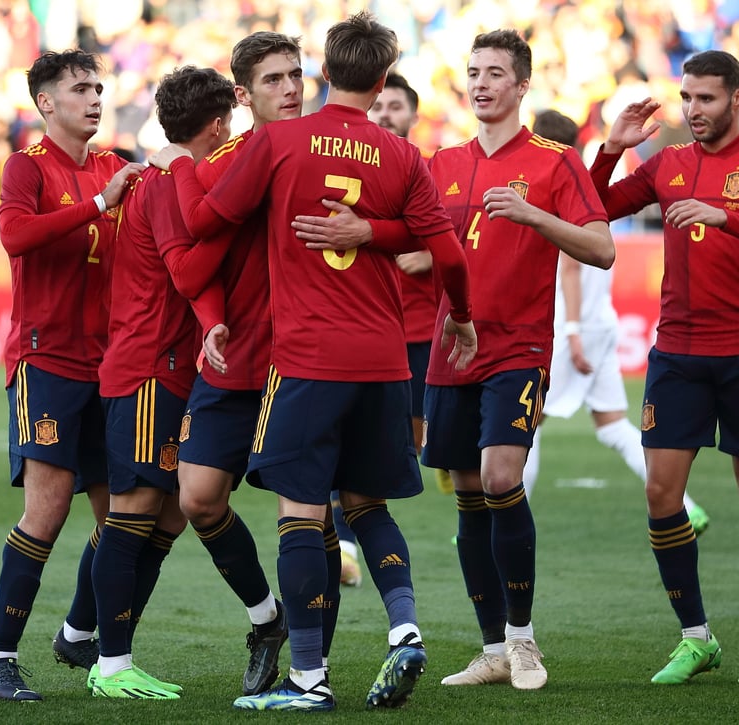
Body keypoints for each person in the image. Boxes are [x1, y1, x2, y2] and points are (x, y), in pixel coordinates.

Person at [152, 11, 478, 711]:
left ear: (324, 72)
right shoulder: (403, 155)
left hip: (307, 359)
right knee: (367, 504)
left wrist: (181, 161)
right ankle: (406, 628)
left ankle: (306, 680)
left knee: (301, 515)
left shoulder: (279, 142)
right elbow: (447, 250)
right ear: (385, 77)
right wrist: (463, 314)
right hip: (388, 361)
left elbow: (206, 221)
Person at [590, 50, 739, 686]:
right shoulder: (667, 163)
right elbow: (595, 207)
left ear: (737, 98)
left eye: (706, 99)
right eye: (686, 98)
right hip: (679, 352)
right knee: (662, 494)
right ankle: (696, 638)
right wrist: (612, 149)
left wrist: (726, 217)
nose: (693, 111)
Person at [417, 32, 614, 693]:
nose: (480, 83)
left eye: (495, 73)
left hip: (519, 347)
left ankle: (524, 640)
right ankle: (492, 647)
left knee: (502, 476)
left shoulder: (557, 163)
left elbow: (602, 247)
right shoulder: (442, 160)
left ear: (522, 85)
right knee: (470, 494)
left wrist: (533, 215)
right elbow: (423, 250)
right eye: (473, 72)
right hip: (453, 349)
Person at [0, 49, 145, 703]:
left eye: (99, 87)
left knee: (122, 519)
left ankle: (77, 631)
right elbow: (15, 236)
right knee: (44, 510)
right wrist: (100, 202)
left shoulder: (115, 166)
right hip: (46, 362)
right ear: (47, 103)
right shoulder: (29, 166)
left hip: (111, 366)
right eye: (80, 88)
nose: (95, 98)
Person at [88, 65, 240, 700]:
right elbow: (187, 272)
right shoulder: (169, 183)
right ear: (217, 123)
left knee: (169, 516)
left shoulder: (159, 177)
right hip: (150, 366)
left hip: (165, 365)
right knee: (136, 512)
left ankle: (87, 636)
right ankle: (111, 662)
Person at [170, 32, 303, 698]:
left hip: (301, 358)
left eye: (296, 76)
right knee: (197, 496)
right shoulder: (228, 158)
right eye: (275, 79)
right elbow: (199, 242)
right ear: (245, 95)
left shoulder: (326, 149)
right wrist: (210, 316)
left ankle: (313, 666)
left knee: (304, 513)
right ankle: (266, 617)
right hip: (233, 355)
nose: (291, 88)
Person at [519, 110, 710, 535]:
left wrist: (570, 333)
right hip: (602, 323)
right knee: (612, 426)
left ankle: (505, 522)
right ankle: (688, 507)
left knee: (525, 425)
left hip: (574, 327)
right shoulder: (586, 189)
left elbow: (569, 268)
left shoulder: (556, 191)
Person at [330, 71, 430, 589]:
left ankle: (351, 531)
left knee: (407, 446)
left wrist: (428, 252)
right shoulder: (349, 171)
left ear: (412, 114)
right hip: (366, 330)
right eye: (382, 105)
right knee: (346, 438)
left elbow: (452, 238)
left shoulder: (422, 170)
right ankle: (344, 541)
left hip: (420, 336)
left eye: (397, 106)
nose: (387, 113)